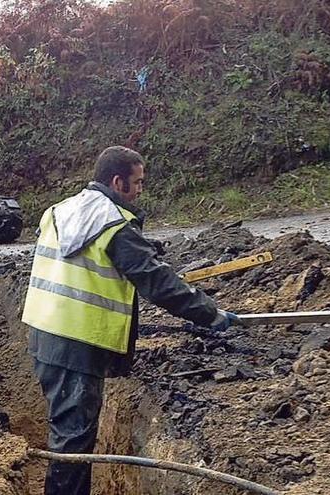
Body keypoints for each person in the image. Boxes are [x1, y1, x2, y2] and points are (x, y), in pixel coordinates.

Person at [22, 146, 241, 495]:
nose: (141, 189)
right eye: (137, 182)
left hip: (44, 333)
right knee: (73, 443)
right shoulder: (114, 224)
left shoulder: (60, 210)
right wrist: (208, 313)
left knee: (66, 431)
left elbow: (80, 257)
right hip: (78, 343)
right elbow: (157, 282)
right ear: (117, 181)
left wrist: (138, 244)